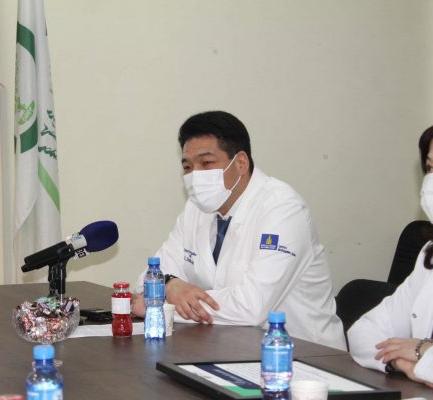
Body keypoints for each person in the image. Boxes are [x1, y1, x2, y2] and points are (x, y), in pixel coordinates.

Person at [133, 111, 346, 350]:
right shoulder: (196, 208)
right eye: (187, 166)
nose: (195, 176)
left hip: (305, 355)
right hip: (231, 348)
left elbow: (251, 307)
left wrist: (162, 306)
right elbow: (147, 278)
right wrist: (170, 284)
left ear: (241, 163)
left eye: (206, 163)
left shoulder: (283, 209)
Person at [348, 126, 433, 386]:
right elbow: (362, 332)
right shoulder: (429, 255)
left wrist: (420, 351)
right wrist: (403, 362)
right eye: (430, 168)